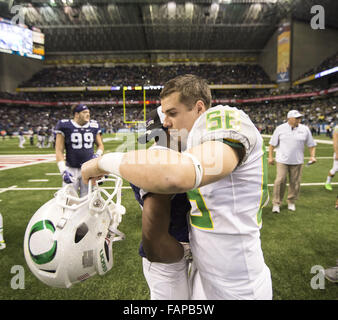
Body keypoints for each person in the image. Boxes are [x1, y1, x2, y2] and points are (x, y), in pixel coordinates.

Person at [82, 74, 272, 300]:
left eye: (172, 113)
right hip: (206, 275)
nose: (165, 122)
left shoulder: (223, 117)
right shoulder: (193, 144)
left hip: (238, 285)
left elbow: (176, 176)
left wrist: (102, 162)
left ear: (199, 108)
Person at [130, 106, 195, 300]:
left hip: (183, 250)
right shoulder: (159, 161)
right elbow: (154, 238)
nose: (158, 142)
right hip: (169, 254)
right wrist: (182, 251)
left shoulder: (186, 156)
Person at [268, 110, 316, 213]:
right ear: (289, 119)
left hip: (297, 161)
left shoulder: (305, 129)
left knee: (295, 182)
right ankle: (276, 203)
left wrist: (312, 156)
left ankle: (291, 201)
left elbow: (311, 145)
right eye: (296, 118)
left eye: (299, 118)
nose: (299, 120)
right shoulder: (280, 128)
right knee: (280, 181)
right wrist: (270, 157)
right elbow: (272, 145)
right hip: (282, 160)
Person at [55, 103, 104, 197]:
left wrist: (97, 155)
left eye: (88, 112)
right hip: (71, 168)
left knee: (88, 199)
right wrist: (63, 171)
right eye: (84, 112)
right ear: (76, 114)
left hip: (88, 168)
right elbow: (59, 150)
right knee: (68, 199)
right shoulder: (64, 125)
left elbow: (100, 145)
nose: (88, 114)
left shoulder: (94, 125)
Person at [324, 124, 338, 191]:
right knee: (335, 169)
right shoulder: (337, 128)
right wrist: (337, 153)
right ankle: (328, 182)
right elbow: (335, 141)